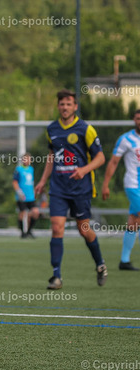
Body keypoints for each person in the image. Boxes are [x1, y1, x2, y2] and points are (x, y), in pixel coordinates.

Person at [34, 89, 107, 290]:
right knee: (57, 227)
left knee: (84, 230)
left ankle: (100, 264)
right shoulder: (52, 129)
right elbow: (52, 156)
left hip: (80, 189)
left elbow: (100, 157)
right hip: (58, 188)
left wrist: (84, 170)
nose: (65, 107)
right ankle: (56, 276)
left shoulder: (86, 129)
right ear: (58, 106)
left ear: (75, 107)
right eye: (62, 104)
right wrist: (42, 180)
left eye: (68, 104)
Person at [101, 109, 140, 271]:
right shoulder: (126, 139)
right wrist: (105, 184)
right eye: (137, 118)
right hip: (133, 185)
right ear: (134, 120)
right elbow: (113, 162)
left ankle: (124, 261)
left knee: (134, 221)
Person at [12, 152, 40, 238]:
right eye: (25, 159)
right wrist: (19, 192)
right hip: (22, 197)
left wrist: (35, 192)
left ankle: (29, 231)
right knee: (22, 213)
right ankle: (22, 233)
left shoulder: (31, 169)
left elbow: (31, 182)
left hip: (30, 196)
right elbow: (14, 182)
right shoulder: (18, 169)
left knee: (35, 212)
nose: (26, 160)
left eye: (28, 159)